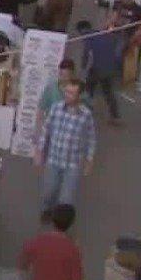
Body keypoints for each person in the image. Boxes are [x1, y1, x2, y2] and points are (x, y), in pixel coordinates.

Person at [35, 80, 96, 211]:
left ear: (79, 96)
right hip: (54, 159)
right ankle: (46, 210)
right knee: (48, 192)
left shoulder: (86, 115)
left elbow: (91, 138)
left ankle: (60, 223)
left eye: (72, 93)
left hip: (73, 164)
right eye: (67, 92)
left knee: (66, 199)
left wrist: (89, 160)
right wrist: (40, 151)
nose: (68, 95)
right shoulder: (56, 108)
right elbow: (46, 130)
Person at [81, 20, 123, 124]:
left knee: (88, 91)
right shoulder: (106, 36)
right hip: (109, 68)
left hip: (96, 68)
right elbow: (117, 55)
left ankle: (84, 113)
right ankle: (115, 116)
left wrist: (83, 66)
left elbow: (86, 53)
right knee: (108, 92)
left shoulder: (89, 36)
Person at [111, 0, 141, 87]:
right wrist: (108, 26)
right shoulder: (117, 4)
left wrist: (138, 33)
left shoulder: (137, 9)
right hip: (115, 32)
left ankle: (118, 74)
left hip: (127, 35)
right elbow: (113, 17)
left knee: (118, 51)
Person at [38, 60, 77, 134]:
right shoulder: (51, 88)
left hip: (68, 132)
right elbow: (41, 109)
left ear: (72, 75)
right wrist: (38, 130)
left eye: (66, 76)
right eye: (61, 74)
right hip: (50, 130)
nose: (63, 78)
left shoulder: (77, 91)